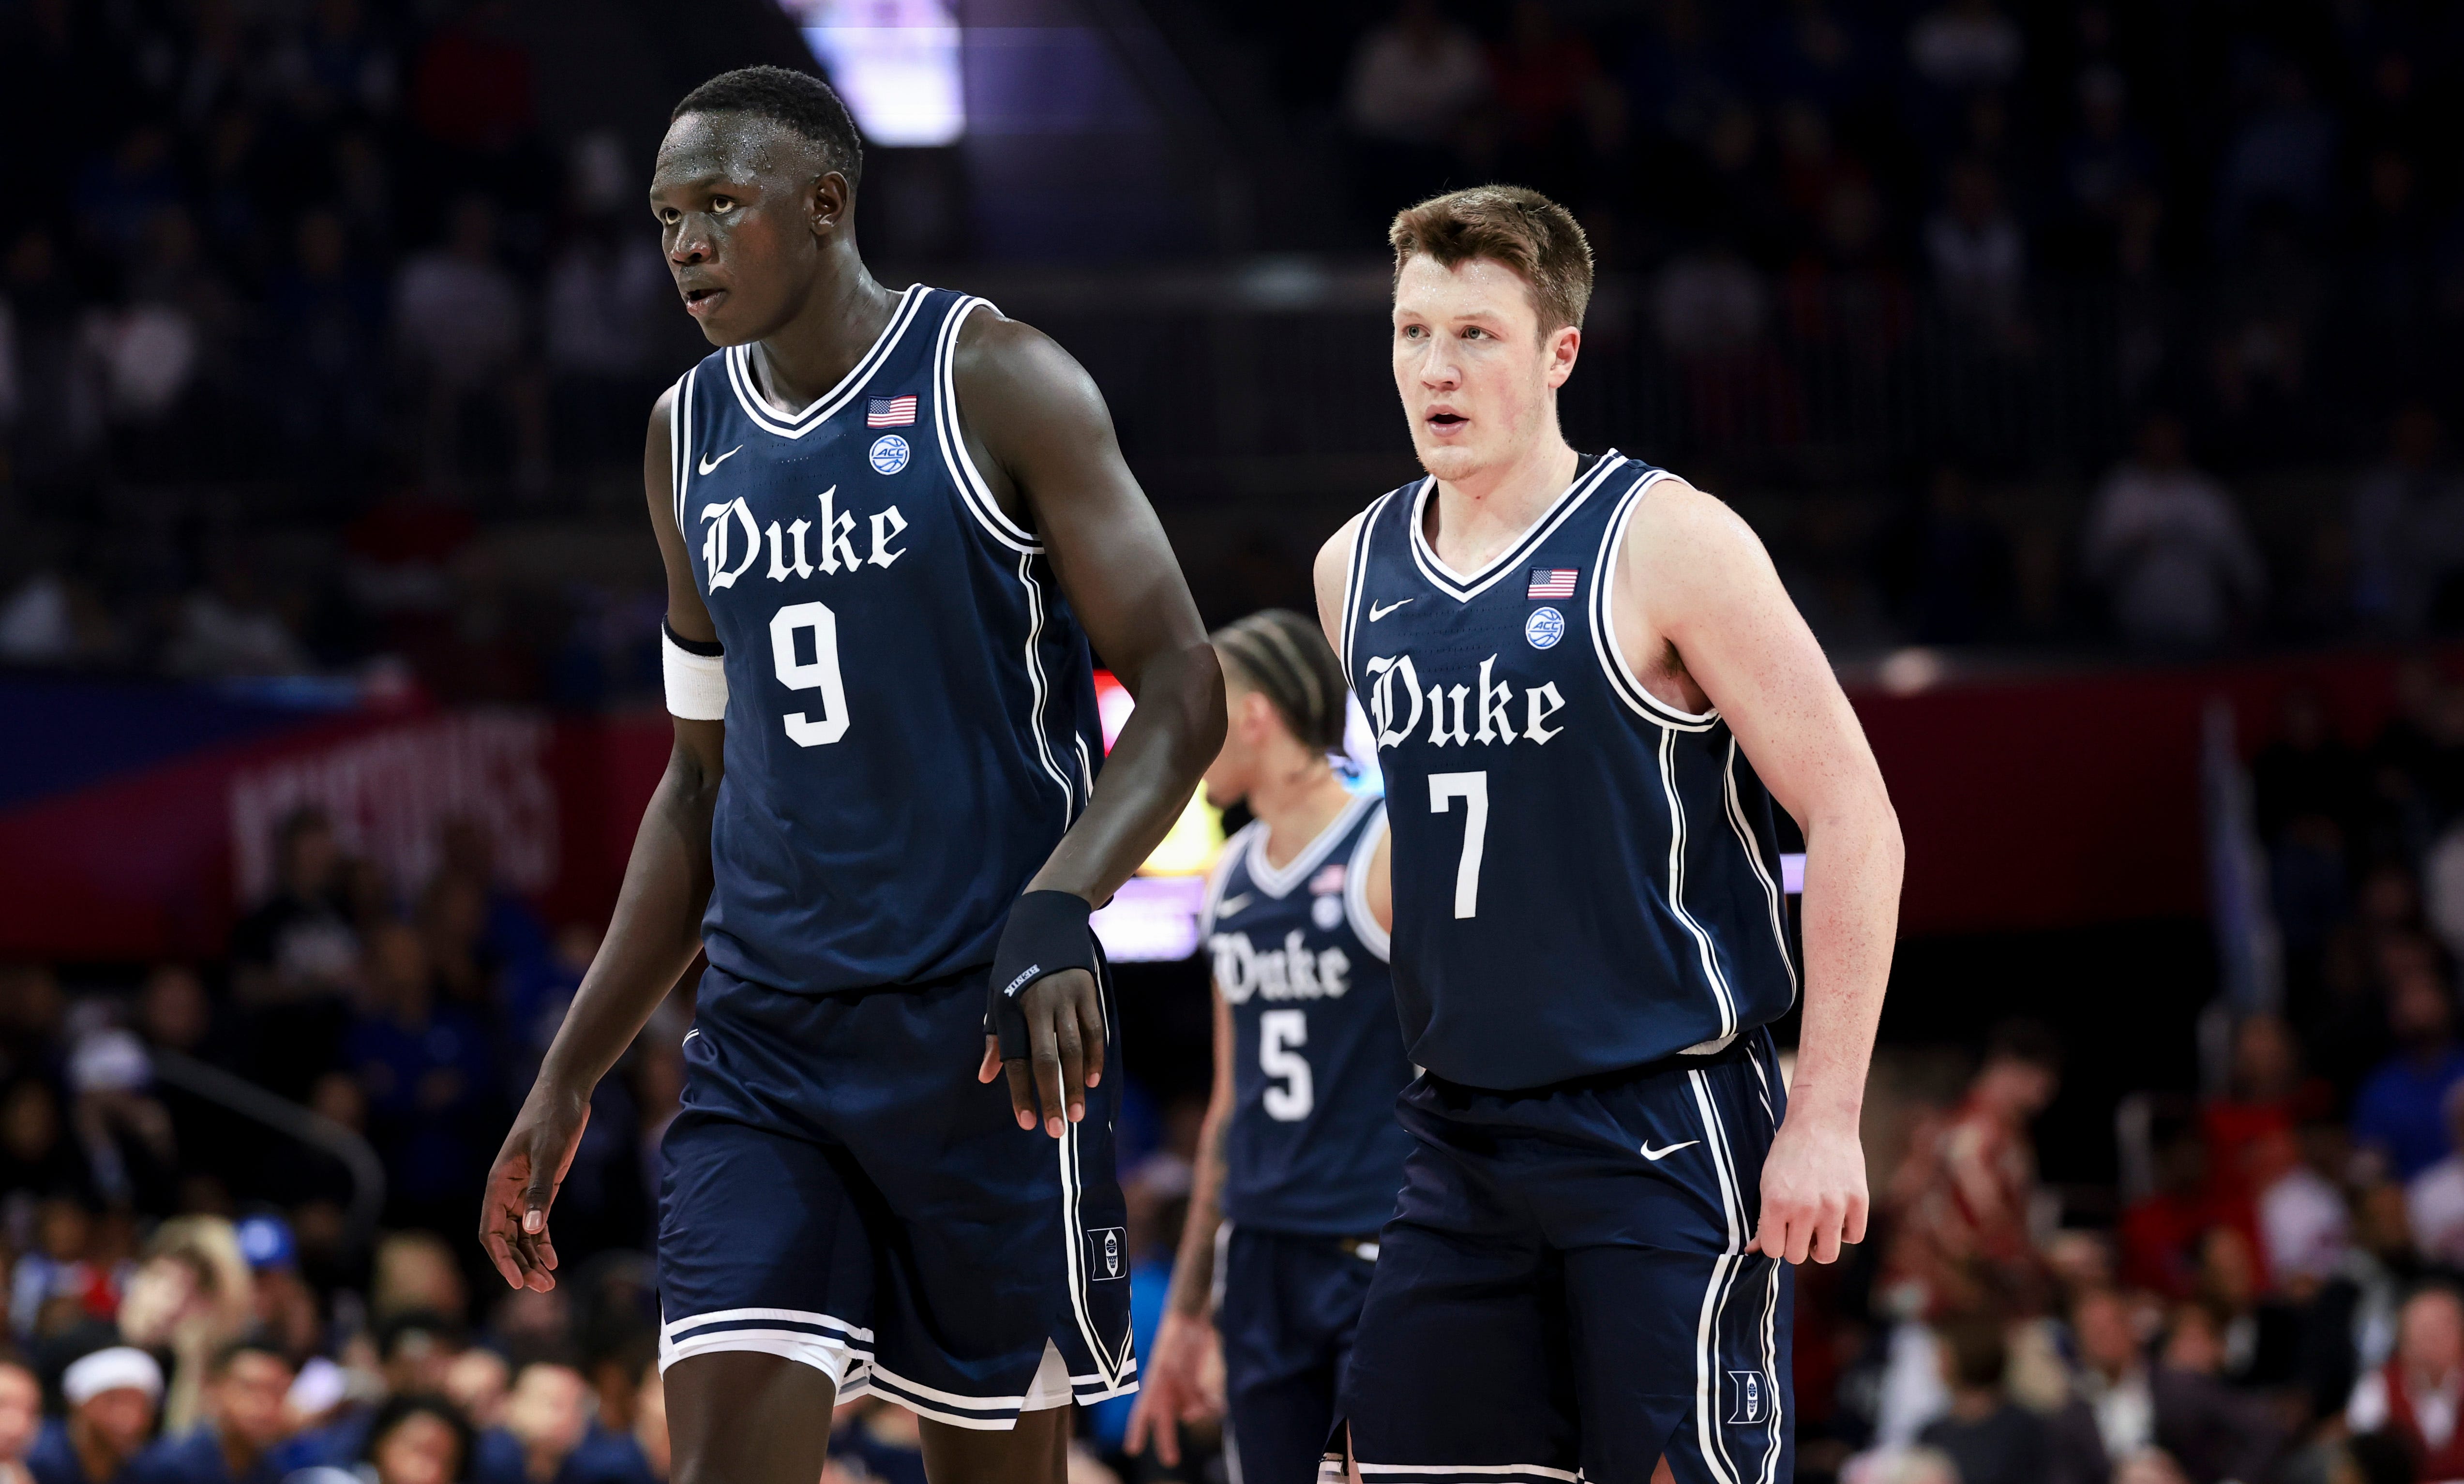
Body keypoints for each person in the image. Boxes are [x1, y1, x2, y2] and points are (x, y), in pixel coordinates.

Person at [476, 64, 1222, 1484]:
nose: (684, 243)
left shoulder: (995, 377)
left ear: (823, 204)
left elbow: (1184, 685)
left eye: (718, 205)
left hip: (984, 1036)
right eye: (663, 218)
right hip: (766, 1039)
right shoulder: (683, 436)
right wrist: (570, 1071)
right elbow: (700, 785)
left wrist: (1061, 904)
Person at [1311, 185, 1902, 1482]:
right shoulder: (1351, 568)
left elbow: (1855, 811)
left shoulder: (1668, 539)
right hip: (1457, 1135)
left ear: (1558, 353)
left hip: (1662, 1121)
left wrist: (1824, 1111)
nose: (1434, 368)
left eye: (1475, 335)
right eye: (1413, 333)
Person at [1124, 611, 1410, 1479]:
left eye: (1205, 711)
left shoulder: (1384, 844)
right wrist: (1183, 1314)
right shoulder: (1233, 873)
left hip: (1376, 1242)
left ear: (1252, 715)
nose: (1188, 737)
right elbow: (1228, 1106)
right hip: (1259, 1252)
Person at [125, 1339, 295, 1484]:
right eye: (249, 1388)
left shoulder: (277, 1470)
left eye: (277, 1391)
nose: (264, 1403)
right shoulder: (165, 1466)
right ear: (213, 1390)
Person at [28, 1348, 161, 1484]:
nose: (128, 1415)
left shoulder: (148, 1469)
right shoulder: (34, 1455)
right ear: (77, 1405)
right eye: (113, 1401)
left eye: (140, 1405)